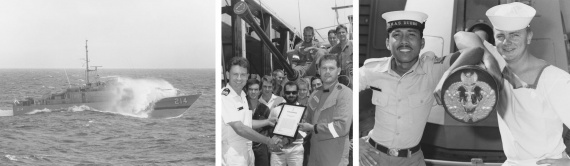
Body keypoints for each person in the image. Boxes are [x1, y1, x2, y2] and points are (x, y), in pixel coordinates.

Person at [359, 11, 497, 166]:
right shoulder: (372, 69)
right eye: (397, 35)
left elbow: (475, 51)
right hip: (371, 157)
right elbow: (342, 92)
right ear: (387, 43)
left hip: (412, 160)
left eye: (411, 35)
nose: (404, 41)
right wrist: (355, 143)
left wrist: (447, 74)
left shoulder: (433, 69)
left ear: (422, 43)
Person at [485, 2, 570, 165]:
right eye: (500, 36)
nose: (506, 42)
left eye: (515, 35)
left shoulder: (554, 79)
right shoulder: (500, 70)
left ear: (529, 36)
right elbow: (463, 37)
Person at [222, 57, 283, 166]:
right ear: (227, 75)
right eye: (235, 74)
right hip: (233, 154)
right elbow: (240, 128)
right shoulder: (225, 97)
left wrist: (267, 121)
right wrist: (268, 141)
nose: (239, 78)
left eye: (243, 75)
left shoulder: (242, 96)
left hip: (247, 152)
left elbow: (247, 123)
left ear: (247, 76)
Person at [298, 54, 353, 166]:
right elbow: (307, 122)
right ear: (318, 70)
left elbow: (341, 127)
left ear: (338, 71)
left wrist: (313, 128)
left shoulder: (345, 93)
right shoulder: (314, 94)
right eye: (324, 68)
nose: (327, 71)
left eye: (331, 68)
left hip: (334, 159)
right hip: (314, 158)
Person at [268, 81, 305, 166]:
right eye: (288, 92)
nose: (291, 95)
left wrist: (287, 140)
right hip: (278, 150)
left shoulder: (303, 111)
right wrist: (274, 142)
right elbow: (269, 128)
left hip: (296, 149)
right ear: (284, 93)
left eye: (294, 92)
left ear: (298, 92)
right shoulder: (275, 110)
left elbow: (305, 132)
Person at [246, 78, 272, 166]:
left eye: (256, 89)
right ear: (246, 90)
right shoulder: (241, 107)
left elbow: (269, 131)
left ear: (260, 91)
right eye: (251, 89)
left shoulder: (265, 109)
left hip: (261, 148)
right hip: (244, 146)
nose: (253, 92)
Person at [328, 24, 353, 88]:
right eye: (339, 33)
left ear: (346, 33)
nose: (341, 34)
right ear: (337, 35)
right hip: (338, 78)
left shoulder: (354, 45)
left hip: (351, 77)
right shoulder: (333, 50)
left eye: (343, 32)